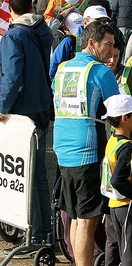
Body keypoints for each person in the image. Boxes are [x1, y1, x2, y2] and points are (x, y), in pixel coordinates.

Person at [52, 21, 119, 266]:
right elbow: (118, 111)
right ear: (92, 43)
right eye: (108, 45)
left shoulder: (62, 68)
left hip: (62, 147)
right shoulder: (101, 71)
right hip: (87, 151)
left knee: (75, 217)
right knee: (88, 220)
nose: (112, 51)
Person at [0, 0, 53, 256]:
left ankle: (32, 234)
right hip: (42, 109)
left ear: (11, 7)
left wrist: (1, 106)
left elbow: (11, 77)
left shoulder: (13, 36)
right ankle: (43, 233)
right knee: (39, 174)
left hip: (22, 115)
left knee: (25, 176)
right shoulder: (43, 29)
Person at [103, 94, 132, 266]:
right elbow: (117, 180)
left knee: (118, 250)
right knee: (131, 254)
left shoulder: (113, 140)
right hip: (128, 207)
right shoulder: (127, 147)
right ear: (124, 118)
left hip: (114, 205)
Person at [49, 4, 111, 79]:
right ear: (85, 22)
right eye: (97, 21)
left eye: (104, 21)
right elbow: (53, 70)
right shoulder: (70, 41)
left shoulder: (108, 41)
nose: (101, 25)